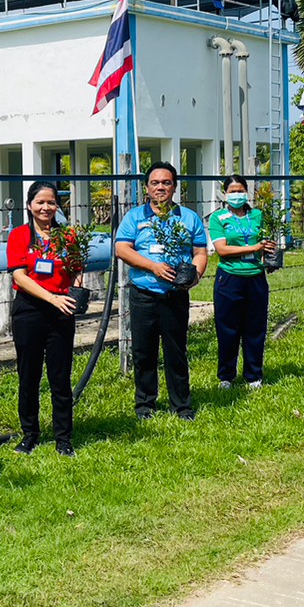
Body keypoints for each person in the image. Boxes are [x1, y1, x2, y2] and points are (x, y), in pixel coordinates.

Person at [114, 162, 209, 419]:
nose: (160, 187)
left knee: (176, 350)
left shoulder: (188, 218)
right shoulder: (135, 217)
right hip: (144, 294)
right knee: (143, 352)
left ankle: (182, 405)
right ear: (147, 188)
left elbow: (200, 252)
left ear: (174, 187)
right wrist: (153, 267)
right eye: (155, 183)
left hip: (175, 295)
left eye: (166, 183)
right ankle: (145, 405)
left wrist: (195, 274)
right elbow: (122, 249)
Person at [6, 181, 80, 454]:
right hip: (29, 310)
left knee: (60, 377)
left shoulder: (68, 236)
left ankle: (64, 439)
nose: (45, 207)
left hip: (61, 310)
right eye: (40, 202)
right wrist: (51, 297)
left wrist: (73, 291)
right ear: (29, 205)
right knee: (29, 375)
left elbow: (75, 269)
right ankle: (30, 434)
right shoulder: (19, 236)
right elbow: (19, 276)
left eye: (51, 202)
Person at [208, 175, 273, 389]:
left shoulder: (257, 215)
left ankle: (254, 375)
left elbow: (264, 242)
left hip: (255, 277)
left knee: (255, 327)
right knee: (228, 328)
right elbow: (222, 249)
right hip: (229, 278)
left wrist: (269, 253)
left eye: (241, 190)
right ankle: (226, 375)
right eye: (233, 191)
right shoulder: (218, 218)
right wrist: (253, 248)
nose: (237, 195)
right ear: (225, 194)